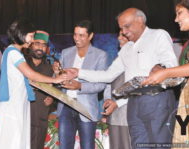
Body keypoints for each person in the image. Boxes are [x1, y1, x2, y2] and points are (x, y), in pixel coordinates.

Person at [66, 8, 178, 149]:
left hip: (156, 100)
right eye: (121, 28)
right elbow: (108, 75)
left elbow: (171, 63)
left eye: (127, 26)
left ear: (140, 21)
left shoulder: (158, 35)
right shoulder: (127, 49)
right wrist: (78, 72)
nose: (124, 31)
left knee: (160, 144)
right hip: (133, 104)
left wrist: (160, 67)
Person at [143, 0, 189, 146]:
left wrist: (167, 73)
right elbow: (184, 74)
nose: (176, 19)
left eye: (179, 13)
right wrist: (160, 71)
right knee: (185, 142)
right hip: (186, 102)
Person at [0, 18, 68, 149]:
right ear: (21, 34)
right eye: (31, 36)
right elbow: (31, 75)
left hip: (19, 105)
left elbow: (30, 81)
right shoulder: (13, 53)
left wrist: (55, 75)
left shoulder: (15, 52)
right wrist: (56, 80)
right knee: (11, 142)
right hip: (12, 106)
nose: (32, 40)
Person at [53, 20, 108, 149]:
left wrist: (80, 86)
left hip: (86, 109)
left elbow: (101, 85)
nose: (77, 38)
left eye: (81, 35)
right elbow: (56, 83)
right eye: (75, 34)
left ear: (90, 36)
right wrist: (56, 74)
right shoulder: (66, 53)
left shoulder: (101, 56)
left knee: (87, 146)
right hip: (66, 106)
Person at [25, 30, 55, 149]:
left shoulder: (50, 69)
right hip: (22, 117)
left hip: (39, 119)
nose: (40, 48)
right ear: (30, 44)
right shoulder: (21, 64)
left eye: (43, 45)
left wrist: (52, 99)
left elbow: (57, 93)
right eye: (37, 43)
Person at [102, 31, 132, 149]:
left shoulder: (139, 60)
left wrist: (117, 103)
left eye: (123, 35)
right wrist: (107, 99)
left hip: (129, 114)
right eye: (119, 35)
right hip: (114, 115)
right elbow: (108, 83)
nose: (119, 38)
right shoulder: (117, 60)